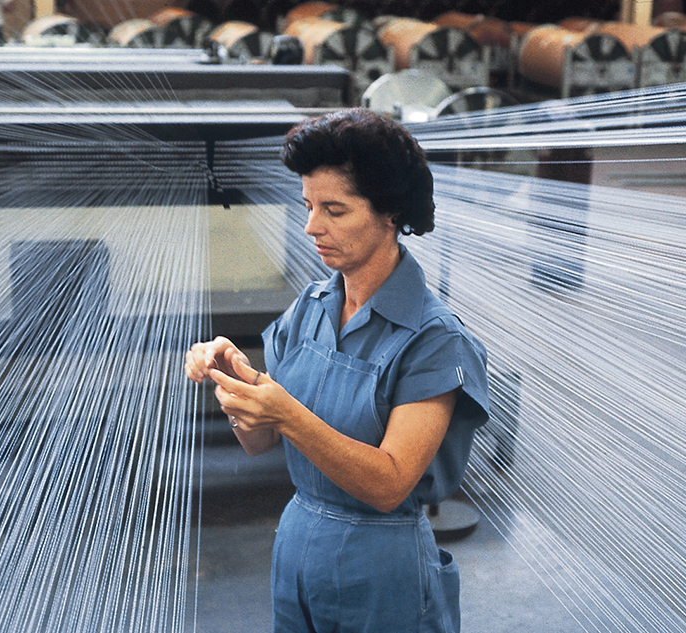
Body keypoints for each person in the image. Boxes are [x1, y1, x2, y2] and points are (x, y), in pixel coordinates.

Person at [185, 108, 489, 633]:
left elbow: (390, 483)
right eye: (307, 206)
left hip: (381, 567)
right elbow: (260, 443)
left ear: (390, 213)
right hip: (299, 548)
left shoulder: (433, 339)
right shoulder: (310, 309)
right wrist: (236, 382)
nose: (311, 227)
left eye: (335, 210)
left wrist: (286, 413)